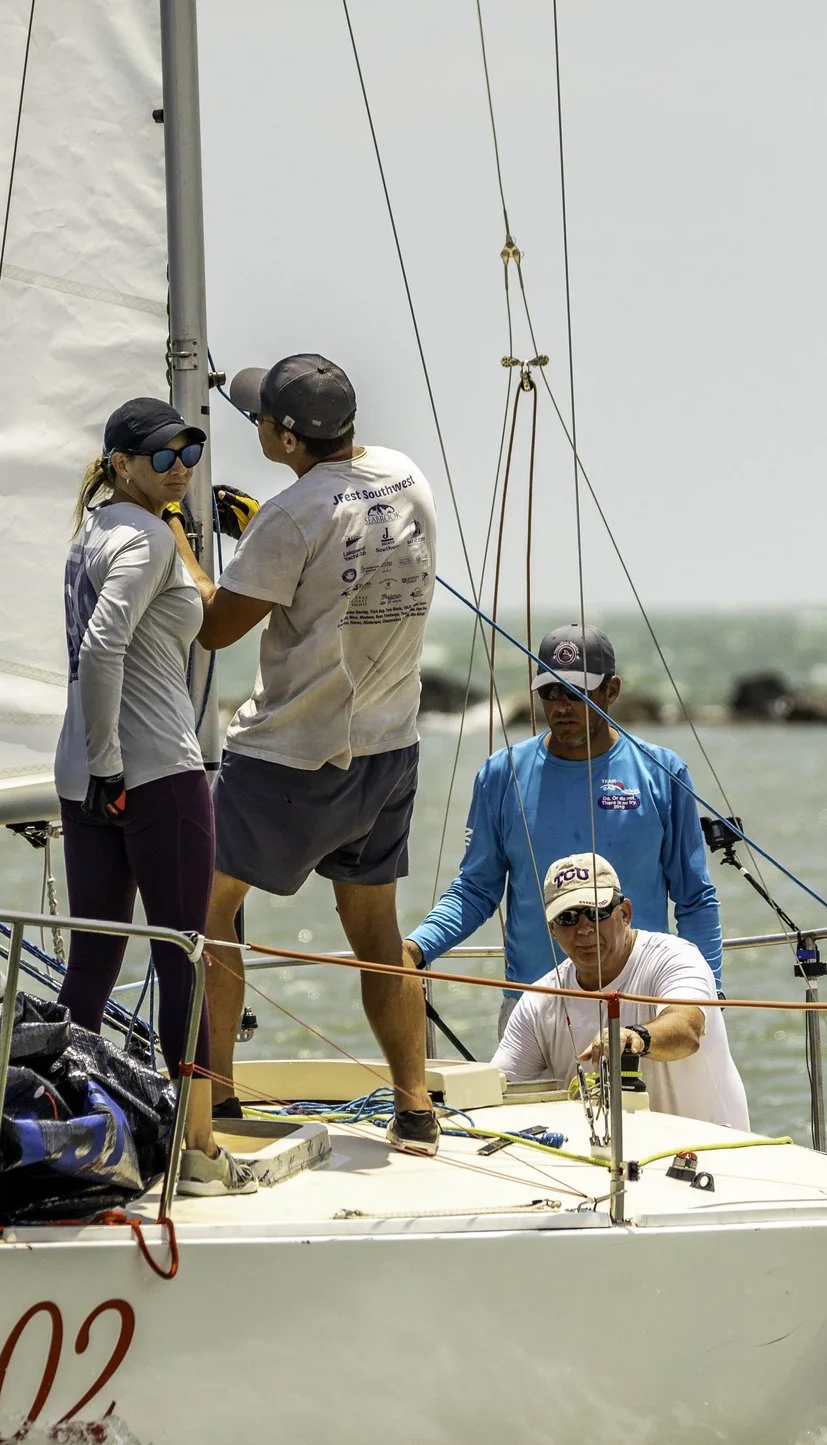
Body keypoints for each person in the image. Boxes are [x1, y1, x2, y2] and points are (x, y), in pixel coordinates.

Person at [195, 354, 444, 1154]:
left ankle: (217, 1100)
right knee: (376, 933)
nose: (255, 425)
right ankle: (415, 1108)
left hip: (294, 757)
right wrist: (261, 532)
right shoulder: (406, 475)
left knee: (206, 908)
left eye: (261, 419)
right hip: (389, 748)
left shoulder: (291, 516)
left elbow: (215, 626)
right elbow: (340, 548)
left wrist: (183, 543)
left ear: (288, 438)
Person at [52, 396, 249, 1196]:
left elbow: (104, 644)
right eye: (164, 456)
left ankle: (64, 1131)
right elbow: (105, 644)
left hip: (82, 775)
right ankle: (197, 1148)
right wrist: (113, 765)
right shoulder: (145, 538)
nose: (181, 467)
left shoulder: (94, 533)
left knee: (92, 963)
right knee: (183, 957)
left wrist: (98, 767)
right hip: (155, 772)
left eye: (190, 452)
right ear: (122, 464)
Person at [405, 624, 722, 1038]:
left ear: (611, 690)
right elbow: (476, 888)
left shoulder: (662, 772)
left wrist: (705, 998)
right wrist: (417, 947)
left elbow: (695, 898)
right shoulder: (501, 774)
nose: (562, 706)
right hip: (532, 1010)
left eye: (576, 692)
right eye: (550, 692)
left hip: (639, 1010)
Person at [494, 853, 750, 1131]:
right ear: (552, 928)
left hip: (711, 1147)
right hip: (608, 1152)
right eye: (568, 917)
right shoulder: (537, 1002)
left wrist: (635, 1037)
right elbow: (500, 1088)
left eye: (597, 912)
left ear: (625, 913)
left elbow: (688, 1030)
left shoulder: (676, 958)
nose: (584, 929)